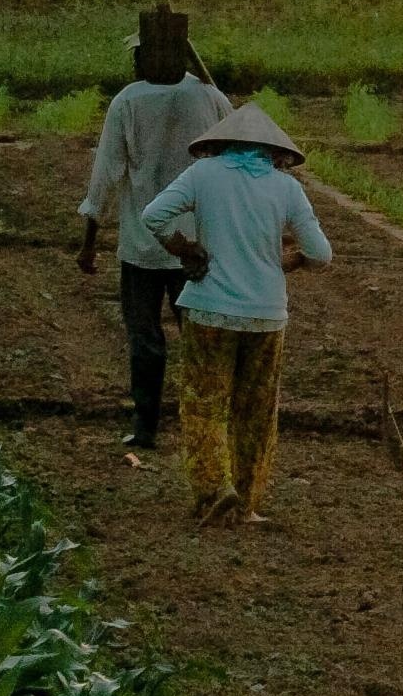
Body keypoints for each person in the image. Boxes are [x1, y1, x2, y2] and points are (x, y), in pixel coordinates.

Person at [139, 100, 331, 527]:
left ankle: (214, 490)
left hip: (209, 310)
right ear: (275, 152)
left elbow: (153, 216)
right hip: (266, 315)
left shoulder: (203, 174)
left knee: (205, 404)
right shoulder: (286, 188)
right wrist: (291, 262)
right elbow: (321, 253)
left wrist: (182, 248)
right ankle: (246, 503)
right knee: (257, 411)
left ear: (222, 144)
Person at [73, 8, 228, 452]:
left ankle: (146, 427)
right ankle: (207, 423)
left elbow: (106, 174)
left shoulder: (128, 102)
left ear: (145, 58)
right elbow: (237, 142)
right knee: (200, 337)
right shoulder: (209, 97)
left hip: (142, 244)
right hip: (195, 245)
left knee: (144, 338)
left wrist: (89, 242)